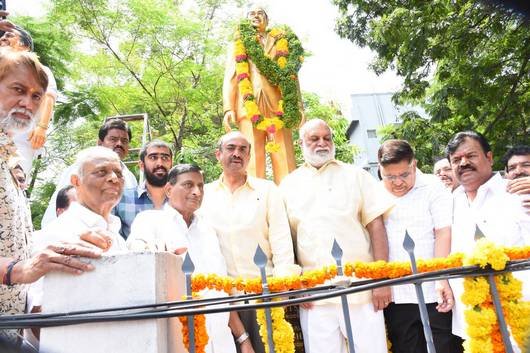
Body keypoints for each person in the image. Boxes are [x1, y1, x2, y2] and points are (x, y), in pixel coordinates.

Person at [0, 48, 107, 343]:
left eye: (36, 96)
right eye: (18, 90)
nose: (27, 103)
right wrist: (19, 270)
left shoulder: (9, 154)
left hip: (10, 326)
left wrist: (62, 242)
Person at [279, 119, 394, 353]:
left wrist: (381, 280)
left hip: (361, 289)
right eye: (314, 138)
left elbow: (376, 226)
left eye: (327, 138)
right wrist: (296, 285)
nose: (322, 143)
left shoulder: (356, 175)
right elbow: (285, 241)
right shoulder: (289, 185)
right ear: (301, 143)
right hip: (315, 294)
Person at [200, 131, 300, 353]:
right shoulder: (205, 195)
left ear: (249, 156)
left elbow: (281, 241)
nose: (237, 154)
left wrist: (279, 293)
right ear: (218, 154)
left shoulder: (267, 191)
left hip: (263, 297)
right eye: (231, 148)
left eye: (243, 149)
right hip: (223, 302)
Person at [128, 164, 242, 353]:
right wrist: (153, 251)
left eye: (200, 186)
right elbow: (137, 252)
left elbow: (222, 291)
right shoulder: (150, 221)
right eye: (188, 185)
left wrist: (242, 337)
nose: (197, 192)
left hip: (221, 341)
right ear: (169, 189)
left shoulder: (208, 230)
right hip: (178, 339)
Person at [377, 140, 462, 353]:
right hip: (397, 292)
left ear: (414, 165)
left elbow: (443, 231)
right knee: (406, 346)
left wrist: (441, 278)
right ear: (380, 169)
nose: (397, 182)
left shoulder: (434, 186)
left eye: (404, 175)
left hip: (434, 290)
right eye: (390, 177)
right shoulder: (375, 192)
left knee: (443, 346)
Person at [445, 131, 530, 343]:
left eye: (471, 156)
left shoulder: (516, 191)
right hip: (474, 319)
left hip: (520, 313)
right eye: (456, 160)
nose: (463, 163)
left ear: (489, 158)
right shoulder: (451, 202)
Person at [223, 4, 304, 184]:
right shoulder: (238, 44)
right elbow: (231, 77)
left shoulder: (280, 41)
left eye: (260, 13)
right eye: (252, 13)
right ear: (246, 18)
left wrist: (298, 106)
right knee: (251, 158)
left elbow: (291, 76)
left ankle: (287, 202)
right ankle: (255, 201)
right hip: (248, 104)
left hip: (280, 105)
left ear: (267, 19)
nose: (256, 16)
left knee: (285, 157)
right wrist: (228, 108)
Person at [41, 117, 137, 227]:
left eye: (124, 141)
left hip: (112, 237)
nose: (119, 144)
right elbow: (63, 206)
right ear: (100, 143)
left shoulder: (130, 178)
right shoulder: (79, 169)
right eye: (113, 139)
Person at [0, 19, 58, 175]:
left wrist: (42, 127)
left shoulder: (41, 71)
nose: (3, 38)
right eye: (2, 35)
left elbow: (48, 98)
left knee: (13, 180)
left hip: (22, 138)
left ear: (25, 46)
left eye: (9, 35)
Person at [114, 140, 173, 239]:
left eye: (165, 158)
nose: (160, 163)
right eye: (153, 157)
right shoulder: (120, 199)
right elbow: (113, 241)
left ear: (171, 164)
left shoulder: (182, 200)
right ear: (141, 165)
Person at [503, 145, 530, 212]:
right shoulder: (497, 197)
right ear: (507, 174)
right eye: (512, 168)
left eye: (526, 165)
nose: (518, 171)